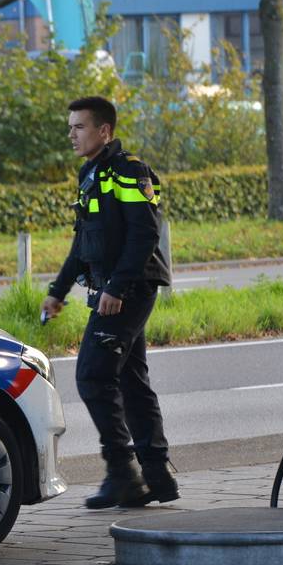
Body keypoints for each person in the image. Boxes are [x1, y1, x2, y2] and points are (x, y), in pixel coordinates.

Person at [41, 96, 176, 510]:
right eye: (70, 127)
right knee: (132, 382)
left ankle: (124, 474)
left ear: (104, 131)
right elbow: (83, 244)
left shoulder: (130, 170)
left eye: (79, 127)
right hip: (108, 291)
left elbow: (144, 234)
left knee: (93, 375)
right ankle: (157, 478)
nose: (72, 134)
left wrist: (116, 289)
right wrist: (57, 291)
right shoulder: (90, 173)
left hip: (130, 290)